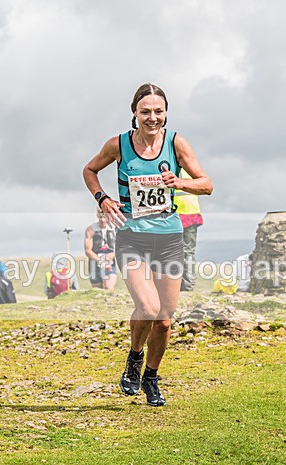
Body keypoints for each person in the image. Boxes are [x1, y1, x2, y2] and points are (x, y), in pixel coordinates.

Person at [83, 83, 213, 406]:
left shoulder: (176, 143)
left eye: (158, 112)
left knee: (165, 319)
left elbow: (207, 184)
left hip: (169, 237)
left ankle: (151, 377)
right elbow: (89, 170)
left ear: (166, 114)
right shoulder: (118, 145)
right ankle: (134, 357)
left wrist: (179, 182)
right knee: (148, 307)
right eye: (145, 112)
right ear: (135, 114)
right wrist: (102, 199)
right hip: (132, 237)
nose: (152, 118)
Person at [174, 169, 203, 291]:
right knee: (189, 251)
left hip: (174, 214)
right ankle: (188, 285)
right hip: (191, 213)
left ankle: (175, 285)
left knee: (173, 252)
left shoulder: (167, 168)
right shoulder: (192, 171)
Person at [84, 208, 117, 290]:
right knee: (97, 289)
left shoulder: (114, 227)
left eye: (105, 217)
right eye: (100, 217)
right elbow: (88, 250)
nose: (102, 220)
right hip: (95, 260)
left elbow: (121, 245)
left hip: (110, 260)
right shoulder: (91, 229)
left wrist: (112, 255)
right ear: (97, 215)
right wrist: (101, 261)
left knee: (108, 286)